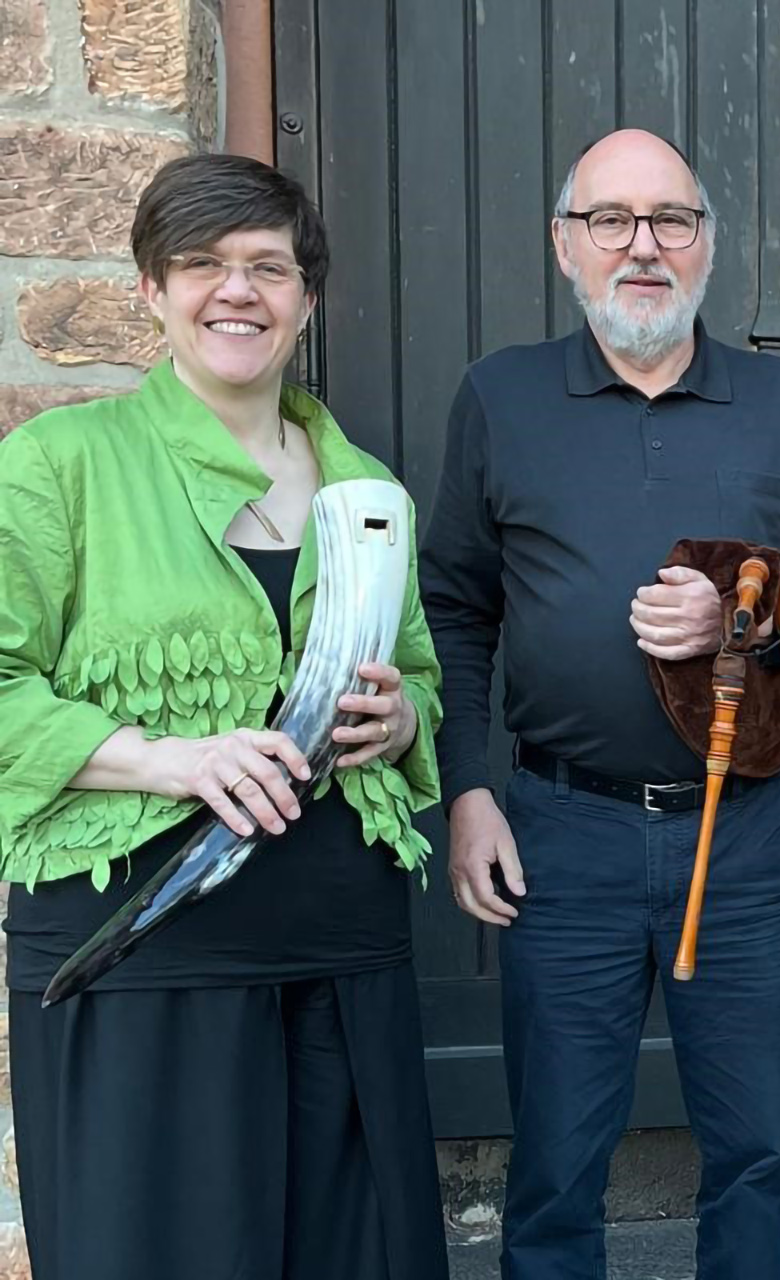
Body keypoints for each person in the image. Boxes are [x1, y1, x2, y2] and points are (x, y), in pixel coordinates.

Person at [419, 128, 780, 1280]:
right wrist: (469, 791)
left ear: (707, 246)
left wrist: (747, 621)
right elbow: (451, 608)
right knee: (555, 1163)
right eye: (611, 220)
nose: (643, 245)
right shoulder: (501, 396)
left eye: (671, 220)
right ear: (565, 245)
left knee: (750, 1155)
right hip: (560, 834)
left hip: (745, 834)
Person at [0, 153, 449, 1280]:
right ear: (152, 289)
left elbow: (424, 680)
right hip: (149, 949)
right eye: (200, 263)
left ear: (307, 295)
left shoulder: (367, 491)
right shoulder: (61, 463)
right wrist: (162, 756)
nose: (235, 289)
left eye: (267, 266)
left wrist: (397, 722)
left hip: (346, 945)